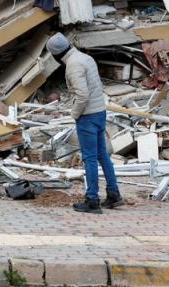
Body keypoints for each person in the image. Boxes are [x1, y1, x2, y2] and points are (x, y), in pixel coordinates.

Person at [45, 32, 123, 213]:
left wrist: (74, 114)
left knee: (89, 158)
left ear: (56, 54)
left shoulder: (73, 65)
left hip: (87, 116)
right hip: (99, 111)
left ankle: (92, 200)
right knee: (102, 155)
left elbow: (82, 94)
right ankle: (113, 194)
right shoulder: (85, 58)